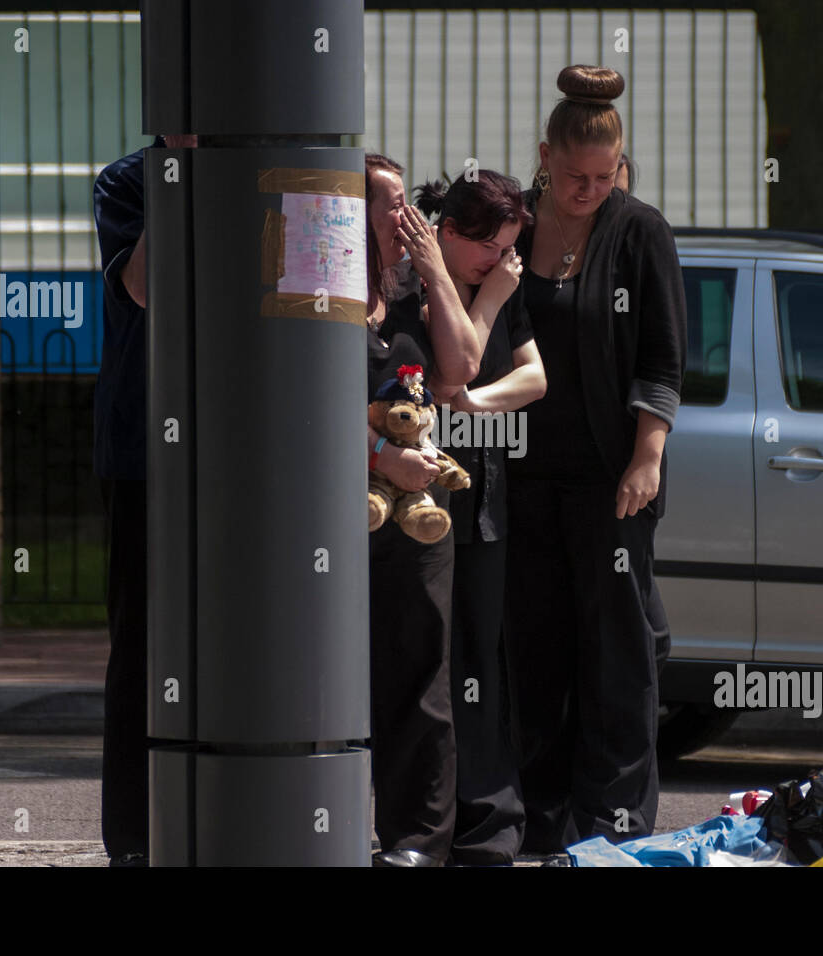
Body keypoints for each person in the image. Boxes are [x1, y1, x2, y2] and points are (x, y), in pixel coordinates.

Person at [503, 65, 687, 853]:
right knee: (534, 654)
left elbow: (662, 358)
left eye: (603, 176)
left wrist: (647, 458)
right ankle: (540, 824)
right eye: (574, 175)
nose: (588, 189)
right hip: (519, 477)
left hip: (610, 479)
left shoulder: (639, 230)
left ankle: (613, 827)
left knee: (617, 660)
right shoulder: (510, 223)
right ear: (544, 156)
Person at [413, 172, 542, 866]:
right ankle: (431, 818)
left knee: (481, 662)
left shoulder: (499, 284)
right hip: (425, 499)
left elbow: (534, 378)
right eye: (489, 249)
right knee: (433, 660)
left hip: (483, 500)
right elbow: (448, 369)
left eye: (510, 250)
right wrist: (488, 301)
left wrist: (471, 407)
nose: (501, 263)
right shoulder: (422, 284)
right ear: (450, 234)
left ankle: (490, 823)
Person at [363, 153, 483, 866]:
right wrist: (380, 460)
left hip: (419, 520)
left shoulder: (410, 296)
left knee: (422, 676)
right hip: (350, 512)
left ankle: (416, 843)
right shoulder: (321, 296)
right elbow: (303, 405)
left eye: (409, 202)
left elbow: (461, 370)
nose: (403, 216)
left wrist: (435, 268)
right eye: (388, 203)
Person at [92, 132, 196, 867]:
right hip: (146, 449)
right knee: (144, 646)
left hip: (248, 453)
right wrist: (180, 174)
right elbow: (144, 285)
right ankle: (135, 839)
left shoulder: (272, 166)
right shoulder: (127, 182)